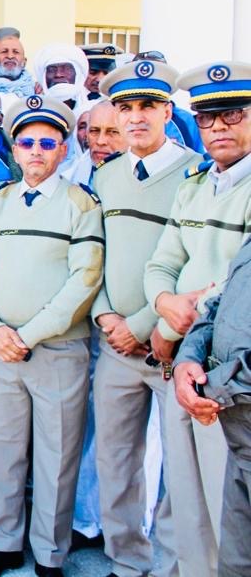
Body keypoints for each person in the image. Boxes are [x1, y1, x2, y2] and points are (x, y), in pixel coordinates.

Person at [0, 96, 105, 577]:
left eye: (48, 144)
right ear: (15, 149)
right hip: (1, 349)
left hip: (57, 350)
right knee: (3, 451)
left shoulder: (81, 204)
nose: (36, 152)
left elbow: (85, 280)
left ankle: (49, 553)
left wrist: (26, 334)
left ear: (63, 150)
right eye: (27, 143)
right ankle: (4, 543)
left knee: (57, 456)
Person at [90, 58, 198, 577]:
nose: (137, 116)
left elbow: (190, 263)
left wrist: (142, 327)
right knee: (115, 461)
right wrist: (106, 318)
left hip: (169, 344)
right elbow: (91, 255)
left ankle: (173, 563)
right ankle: (127, 561)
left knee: (181, 468)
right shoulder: (106, 175)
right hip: (115, 346)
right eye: (126, 107)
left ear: (167, 112)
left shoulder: (195, 175)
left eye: (149, 106)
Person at [143, 61, 251, 577]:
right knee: (187, 502)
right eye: (207, 118)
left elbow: (234, 287)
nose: (218, 128)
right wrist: (165, 303)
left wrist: (169, 326)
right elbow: (161, 263)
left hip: (226, 370)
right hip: (182, 360)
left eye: (233, 115)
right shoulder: (196, 183)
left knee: (226, 507)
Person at [173, 234, 251, 577]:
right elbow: (218, 303)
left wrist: (209, 387)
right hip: (241, 444)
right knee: (235, 565)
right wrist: (187, 359)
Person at [0, 34, 34, 100]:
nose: (10, 56)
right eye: (4, 51)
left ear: (24, 62)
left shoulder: (35, 89)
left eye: (16, 52)